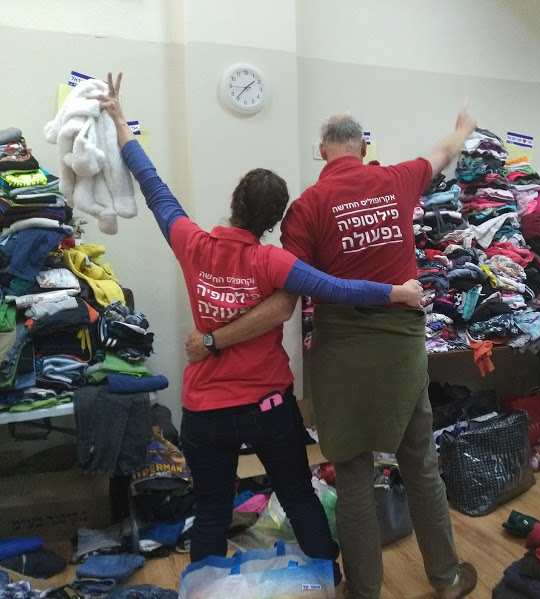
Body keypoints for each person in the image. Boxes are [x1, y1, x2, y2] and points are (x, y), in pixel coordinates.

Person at [96, 74, 425, 580]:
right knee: (297, 496)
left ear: (234, 200)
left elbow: (152, 184)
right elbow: (337, 288)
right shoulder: (274, 262)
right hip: (269, 407)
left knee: (211, 512)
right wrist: (396, 293)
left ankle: (205, 590)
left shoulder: (191, 243)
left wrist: (121, 120)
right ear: (274, 221)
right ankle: (328, 580)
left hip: (205, 412)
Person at [185, 110, 479, 598]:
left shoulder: (306, 208)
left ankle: (362, 591)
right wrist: (463, 128)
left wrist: (214, 339)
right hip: (400, 348)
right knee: (420, 465)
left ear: (322, 151)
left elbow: (285, 301)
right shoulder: (398, 178)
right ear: (362, 145)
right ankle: (446, 579)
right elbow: (443, 152)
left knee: (353, 472)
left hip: (339, 351)